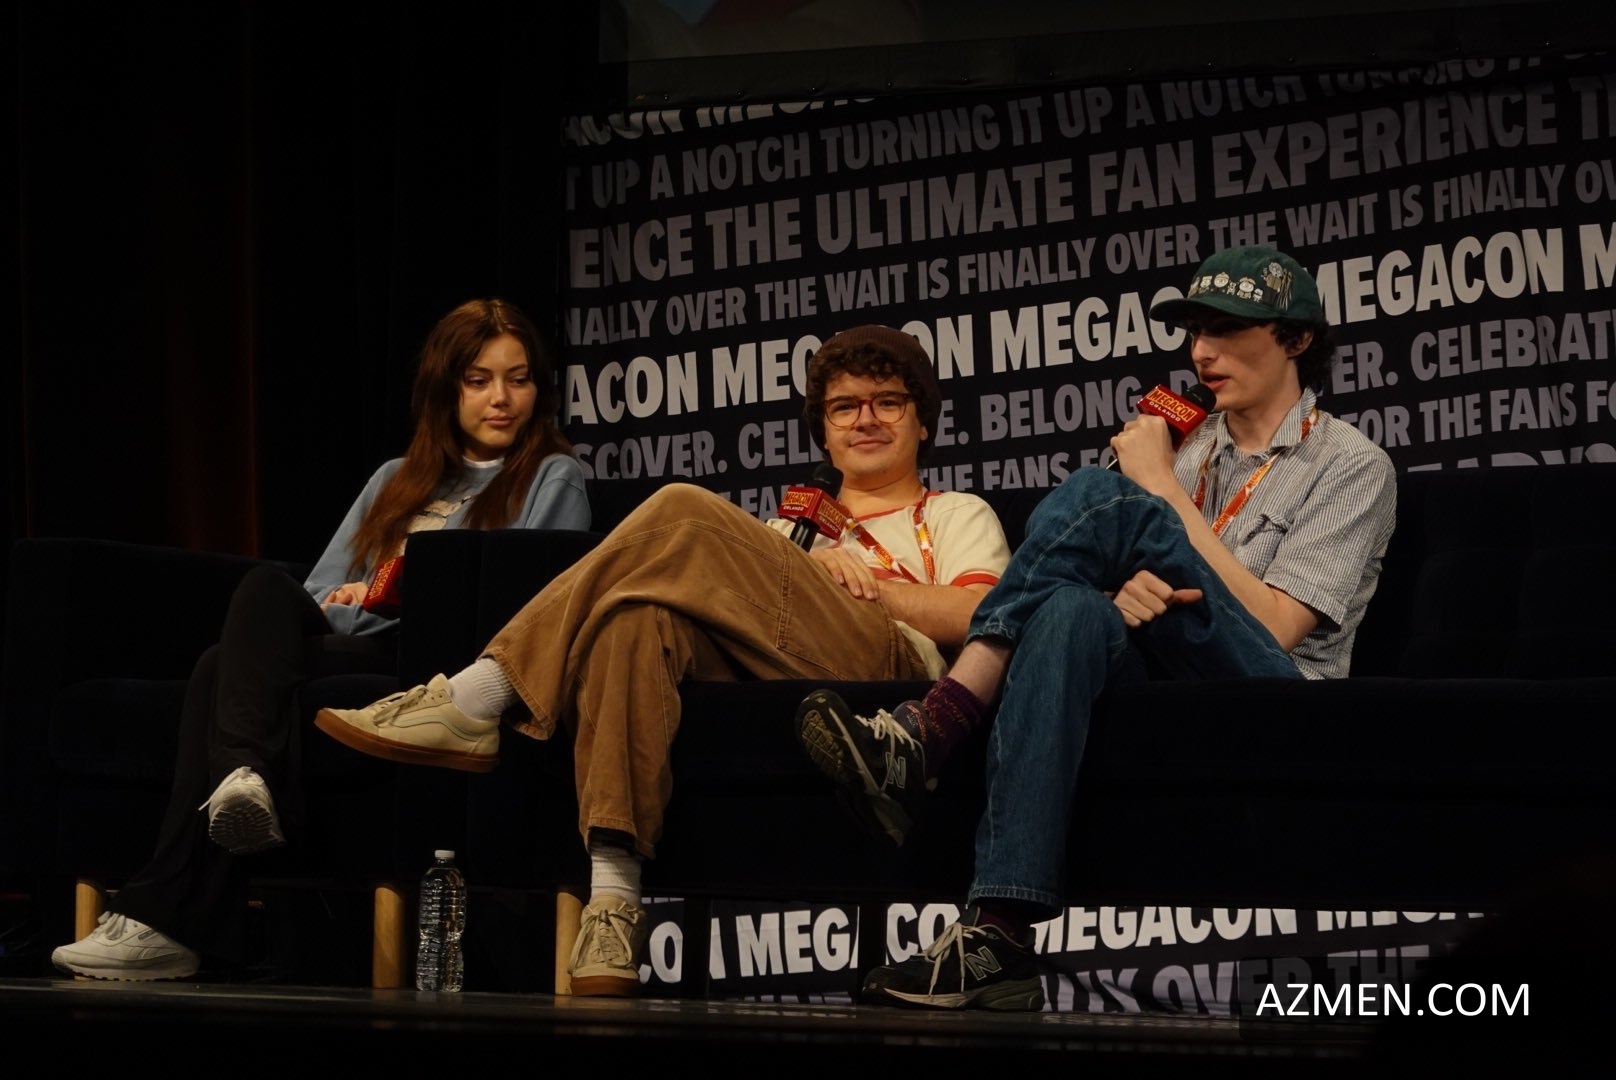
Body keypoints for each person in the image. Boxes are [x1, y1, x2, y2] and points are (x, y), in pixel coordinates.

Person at [315, 324, 1012, 996]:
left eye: (888, 402)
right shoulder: (788, 528)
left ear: (923, 421)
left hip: (890, 672)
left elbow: (981, 615)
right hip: (776, 667)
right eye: (844, 407)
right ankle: (613, 902)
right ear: (823, 431)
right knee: (633, 619)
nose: (866, 420)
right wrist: (807, 566)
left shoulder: (956, 512)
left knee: (683, 507)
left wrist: (864, 586)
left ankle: (479, 693)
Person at [796, 246, 1398, 1010]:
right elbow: (1094, 575)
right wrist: (1121, 594)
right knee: (1070, 609)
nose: (1201, 353)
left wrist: (1159, 492)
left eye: (1225, 330)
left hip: (1276, 692)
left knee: (1103, 496)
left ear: (1297, 339)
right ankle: (999, 935)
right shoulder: (1186, 440)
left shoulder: (1349, 463)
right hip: (1164, 661)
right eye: (1194, 331)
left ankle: (935, 725)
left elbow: (1275, 626)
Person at [50, 298, 592, 981]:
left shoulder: (551, 476)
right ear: (445, 388)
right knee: (260, 596)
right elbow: (315, 594)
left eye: (519, 379)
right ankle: (235, 793)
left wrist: (377, 597)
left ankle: (175, 897)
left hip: (436, 669)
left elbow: (524, 602)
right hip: (352, 644)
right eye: (479, 380)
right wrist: (357, 601)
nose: (501, 399)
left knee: (220, 668)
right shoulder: (394, 479)